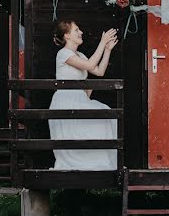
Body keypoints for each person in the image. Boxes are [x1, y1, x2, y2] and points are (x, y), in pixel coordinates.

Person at [49, 20, 119, 170]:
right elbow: (89, 66)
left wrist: (107, 49)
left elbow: (99, 71)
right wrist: (102, 42)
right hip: (66, 100)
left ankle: (98, 163)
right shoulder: (63, 54)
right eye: (76, 30)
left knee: (107, 115)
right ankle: (78, 163)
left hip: (80, 99)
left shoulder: (79, 54)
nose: (81, 32)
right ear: (67, 36)